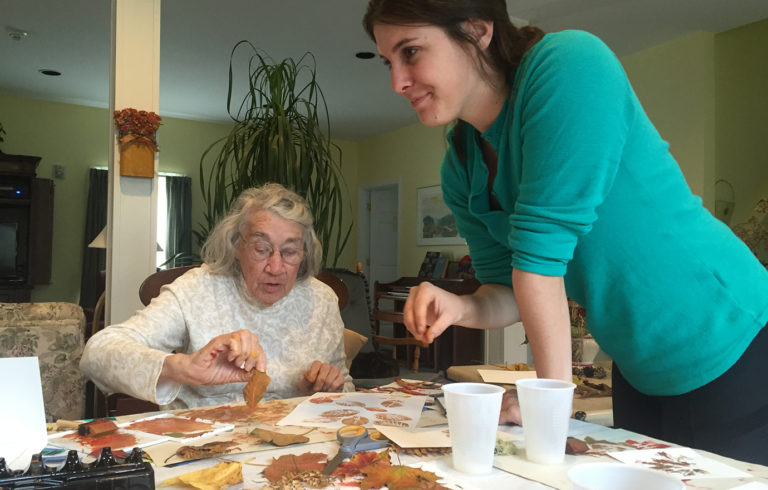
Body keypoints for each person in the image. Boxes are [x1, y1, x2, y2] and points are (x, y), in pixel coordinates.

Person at [363, 0, 768, 464]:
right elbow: (509, 291)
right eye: (388, 62)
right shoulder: (461, 165)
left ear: (477, 30)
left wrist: (547, 410)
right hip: (635, 369)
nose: (397, 82)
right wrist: (460, 306)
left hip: (731, 339)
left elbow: (538, 267)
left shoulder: (570, 65)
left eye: (411, 52)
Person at [81, 183, 354, 410]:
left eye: (290, 251)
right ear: (236, 246)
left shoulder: (321, 300)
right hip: (201, 444)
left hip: (296, 445)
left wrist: (328, 386)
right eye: (261, 248)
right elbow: (97, 354)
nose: (275, 267)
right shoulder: (198, 290)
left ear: (304, 253)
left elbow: (344, 387)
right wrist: (182, 368)